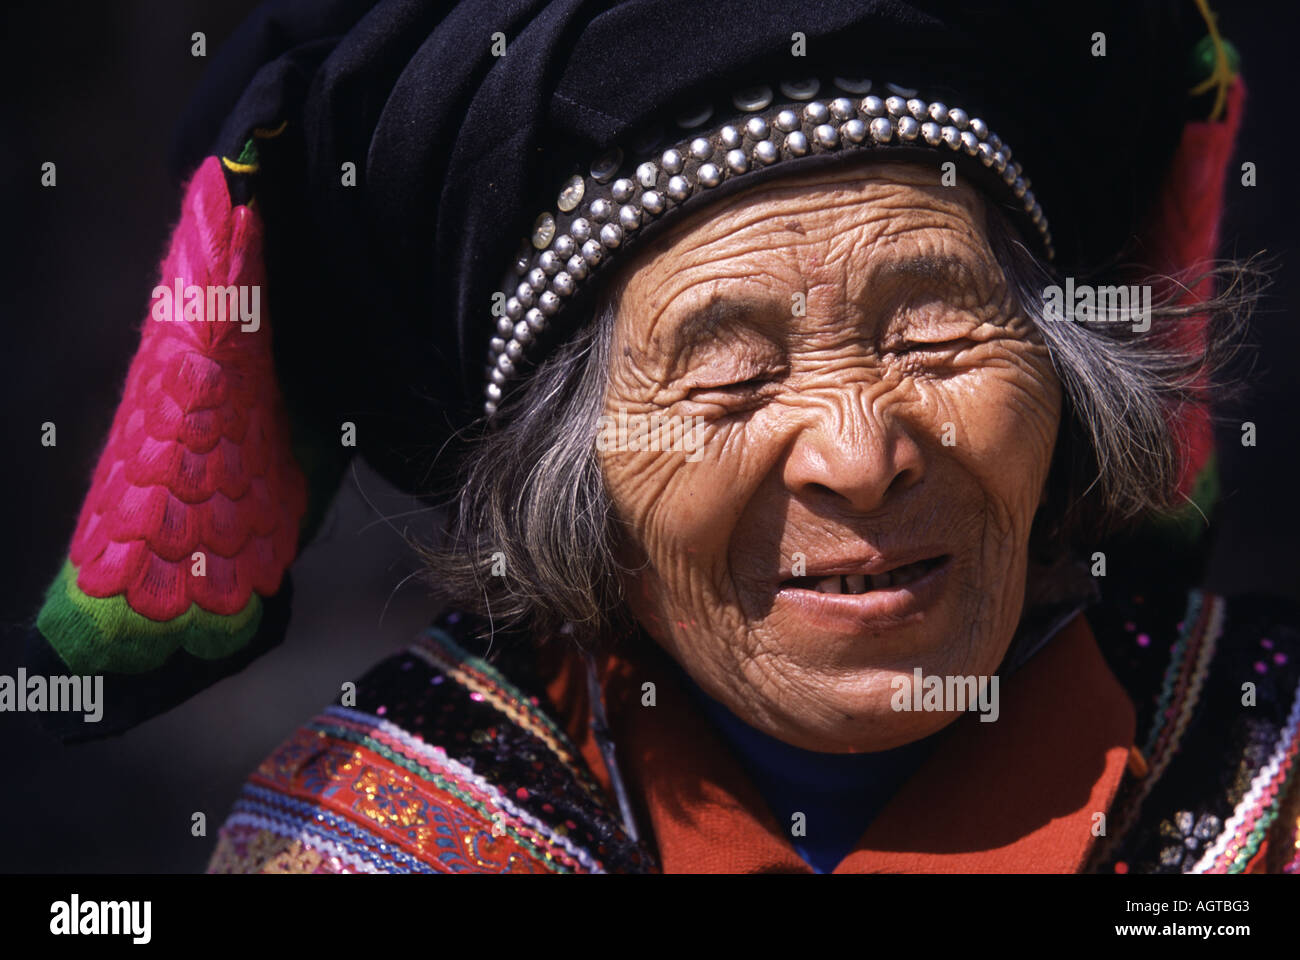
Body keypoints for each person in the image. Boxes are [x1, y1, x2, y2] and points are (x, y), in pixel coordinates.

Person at [27, 0, 1299, 873]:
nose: (858, 456)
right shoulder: (368, 839)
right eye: (732, 376)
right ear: (571, 482)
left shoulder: (1267, 763)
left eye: (931, 336)